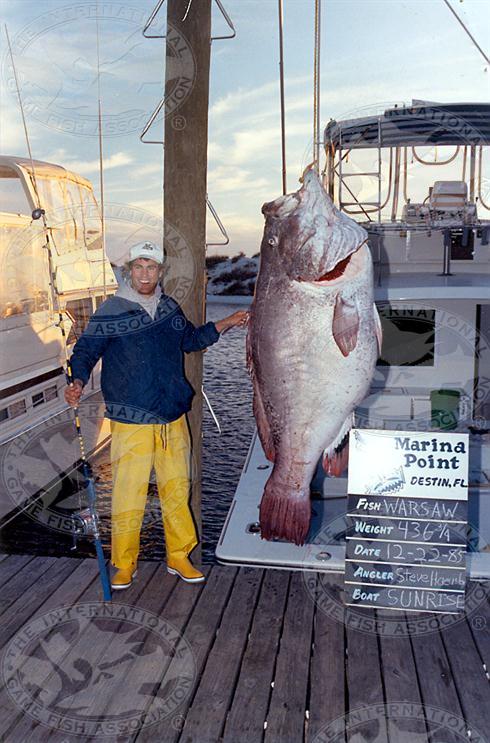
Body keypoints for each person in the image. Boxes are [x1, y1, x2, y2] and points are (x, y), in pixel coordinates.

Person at [65, 240, 248, 589]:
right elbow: (86, 350)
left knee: (177, 490)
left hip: (170, 417)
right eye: (139, 267)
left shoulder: (168, 308)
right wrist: (77, 379)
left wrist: (226, 322)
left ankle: (179, 556)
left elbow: (191, 340)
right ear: (128, 270)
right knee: (127, 494)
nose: (145, 274)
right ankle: (124, 563)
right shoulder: (112, 310)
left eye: (151, 268)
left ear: (159, 272)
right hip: (131, 419)